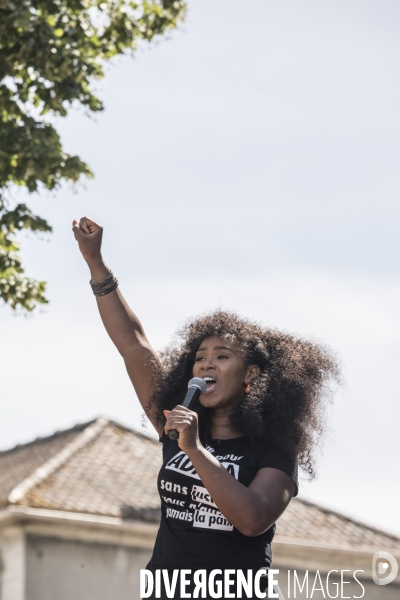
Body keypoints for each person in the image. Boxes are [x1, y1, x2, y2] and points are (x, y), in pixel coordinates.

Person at [72, 217, 339, 600]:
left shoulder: (273, 447)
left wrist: (194, 449)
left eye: (222, 356)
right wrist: (96, 263)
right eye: (200, 357)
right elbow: (134, 345)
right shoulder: (175, 421)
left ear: (250, 375)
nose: (206, 365)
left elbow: (252, 519)